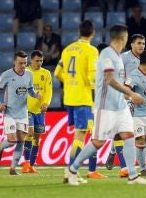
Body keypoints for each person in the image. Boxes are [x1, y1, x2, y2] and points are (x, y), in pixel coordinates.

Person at [64, 24, 146, 186]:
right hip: (105, 106)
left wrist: (127, 95)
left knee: (128, 136)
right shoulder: (106, 54)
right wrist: (132, 94)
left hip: (120, 106)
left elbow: (117, 81)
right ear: (123, 38)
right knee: (98, 142)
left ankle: (132, 176)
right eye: (126, 37)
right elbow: (109, 79)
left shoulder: (117, 56)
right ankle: (72, 169)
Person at [54, 20, 106, 181]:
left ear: (78, 31)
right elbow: (92, 76)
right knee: (80, 136)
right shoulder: (91, 51)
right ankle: (71, 172)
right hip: (83, 98)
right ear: (93, 33)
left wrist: (70, 82)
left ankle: (71, 171)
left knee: (78, 135)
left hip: (69, 97)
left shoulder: (67, 49)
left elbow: (57, 73)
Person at [104, 34, 146, 177]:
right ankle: (115, 154)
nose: (142, 46)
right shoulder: (123, 58)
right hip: (125, 98)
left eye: (143, 43)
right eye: (139, 43)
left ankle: (116, 153)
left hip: (140, 99)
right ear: (132, 45)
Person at [0, 51, 41, 175]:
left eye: (25, 63)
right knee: (12, 140)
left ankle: (13, 168)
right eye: (20, 63)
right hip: (9, 113)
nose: (23, 66)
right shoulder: (6, 75)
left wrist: (35, 95)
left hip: (23, 113)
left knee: (21, 141)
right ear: (14, 62)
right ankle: (1, 146)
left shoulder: (29, 74)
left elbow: (30, 89)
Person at [21, 50, 52, 173]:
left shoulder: (46, 73)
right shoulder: (25, 72)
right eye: (37, 61)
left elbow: (48, 91)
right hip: (27, 109)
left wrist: (46, 103)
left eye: (41, 61)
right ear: (31, 60)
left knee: (37, 138)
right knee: (29, 133)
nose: (39, 63)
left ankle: (31, 166)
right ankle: (26, 164)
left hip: (40, 111)